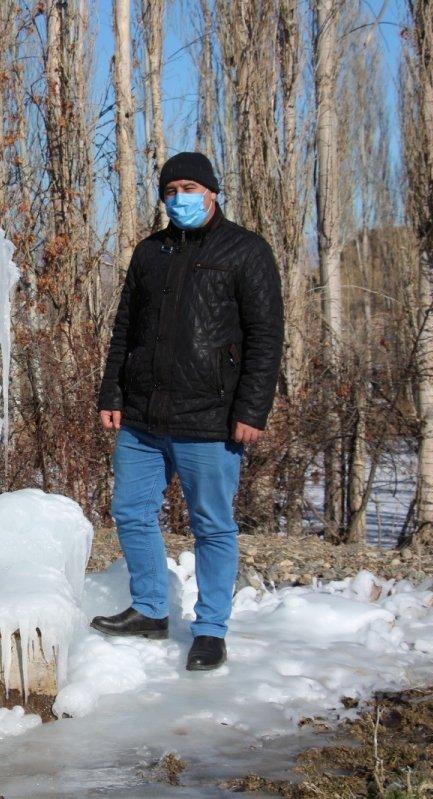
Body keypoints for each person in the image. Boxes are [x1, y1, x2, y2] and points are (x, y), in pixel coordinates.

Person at [93, 152, 283, 671]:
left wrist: (252, 409)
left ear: (212, 191)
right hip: (142, 418)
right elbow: (124, 330)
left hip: (212, 418)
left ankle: (210, 629)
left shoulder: (246, 251)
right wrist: (112, 394)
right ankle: (152, 610)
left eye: (189, 188)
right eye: (170, 189)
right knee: (131, 511)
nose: (180, 198)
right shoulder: (150, 252)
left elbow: (266, 339)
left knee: (212, 525)